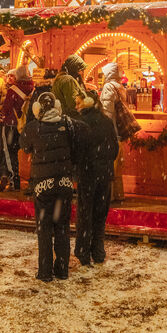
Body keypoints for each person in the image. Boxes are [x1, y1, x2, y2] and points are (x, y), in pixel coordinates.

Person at [20, 91, 89, 281]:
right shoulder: (67, 125)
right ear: (57, 107)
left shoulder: (33, 128)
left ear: (37, 109)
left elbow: (24, 145)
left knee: (44, 229)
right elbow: (82, 135)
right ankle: (62, 270)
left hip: (43, 185)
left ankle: (45, 271)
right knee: (62, 227)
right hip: (65, 184)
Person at [74, 91, 119, 266]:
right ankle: (98, 250)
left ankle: (83, 250)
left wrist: (79, 167)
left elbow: (77, 150)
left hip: (87, 174)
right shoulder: (106, 121)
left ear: (86, 103)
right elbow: (114, 149)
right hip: (105, 174)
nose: (76, 106)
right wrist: (105, 163)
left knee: (85, 213)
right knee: (100, 213)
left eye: (78, 103)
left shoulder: (80, 123)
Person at [0, 64, 34, 191]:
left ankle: (14, 181)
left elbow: (6, 108)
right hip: (27, 126)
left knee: (10, 153)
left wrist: (2, 116)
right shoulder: (33, 88)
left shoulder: (13, 89)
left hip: (11, 125)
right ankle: (30, 181)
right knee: (28, 154)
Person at [100, 61, 126, 201]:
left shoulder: (108, 88)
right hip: (119, 132)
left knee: (109, 165)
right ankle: (118, 194)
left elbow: (107, 112)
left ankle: (108, 196)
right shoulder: (120, 87)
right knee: (117, 167)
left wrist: (104, 130)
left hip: (111, 131)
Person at [52, 53, 87, 118]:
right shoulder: (68, 80)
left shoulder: (60, 78)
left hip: (61, 116)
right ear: (74, 68)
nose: (81, 73)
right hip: (70, 118)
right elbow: (73, 104)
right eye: (80, 70)